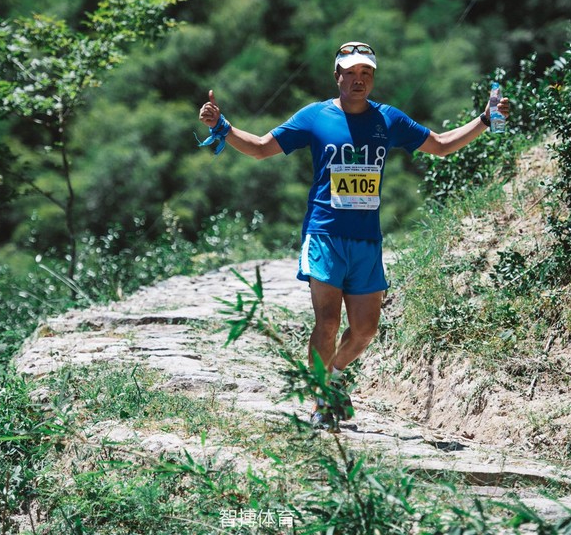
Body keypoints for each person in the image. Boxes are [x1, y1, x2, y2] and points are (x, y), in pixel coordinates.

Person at [198, 41, 511, 431]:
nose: (358, 80)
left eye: (366, 74)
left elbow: (443, 146)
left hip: (366, 241)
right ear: (337, 76)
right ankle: (320, 401)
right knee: (327, 322)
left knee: (365, 330)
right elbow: (261, 148)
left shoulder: (388, 120)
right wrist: (221, 127)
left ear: (373, 78)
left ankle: (335, 373)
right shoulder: (315, 116)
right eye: (351, 73)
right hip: (325, 233)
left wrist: (484, 120)